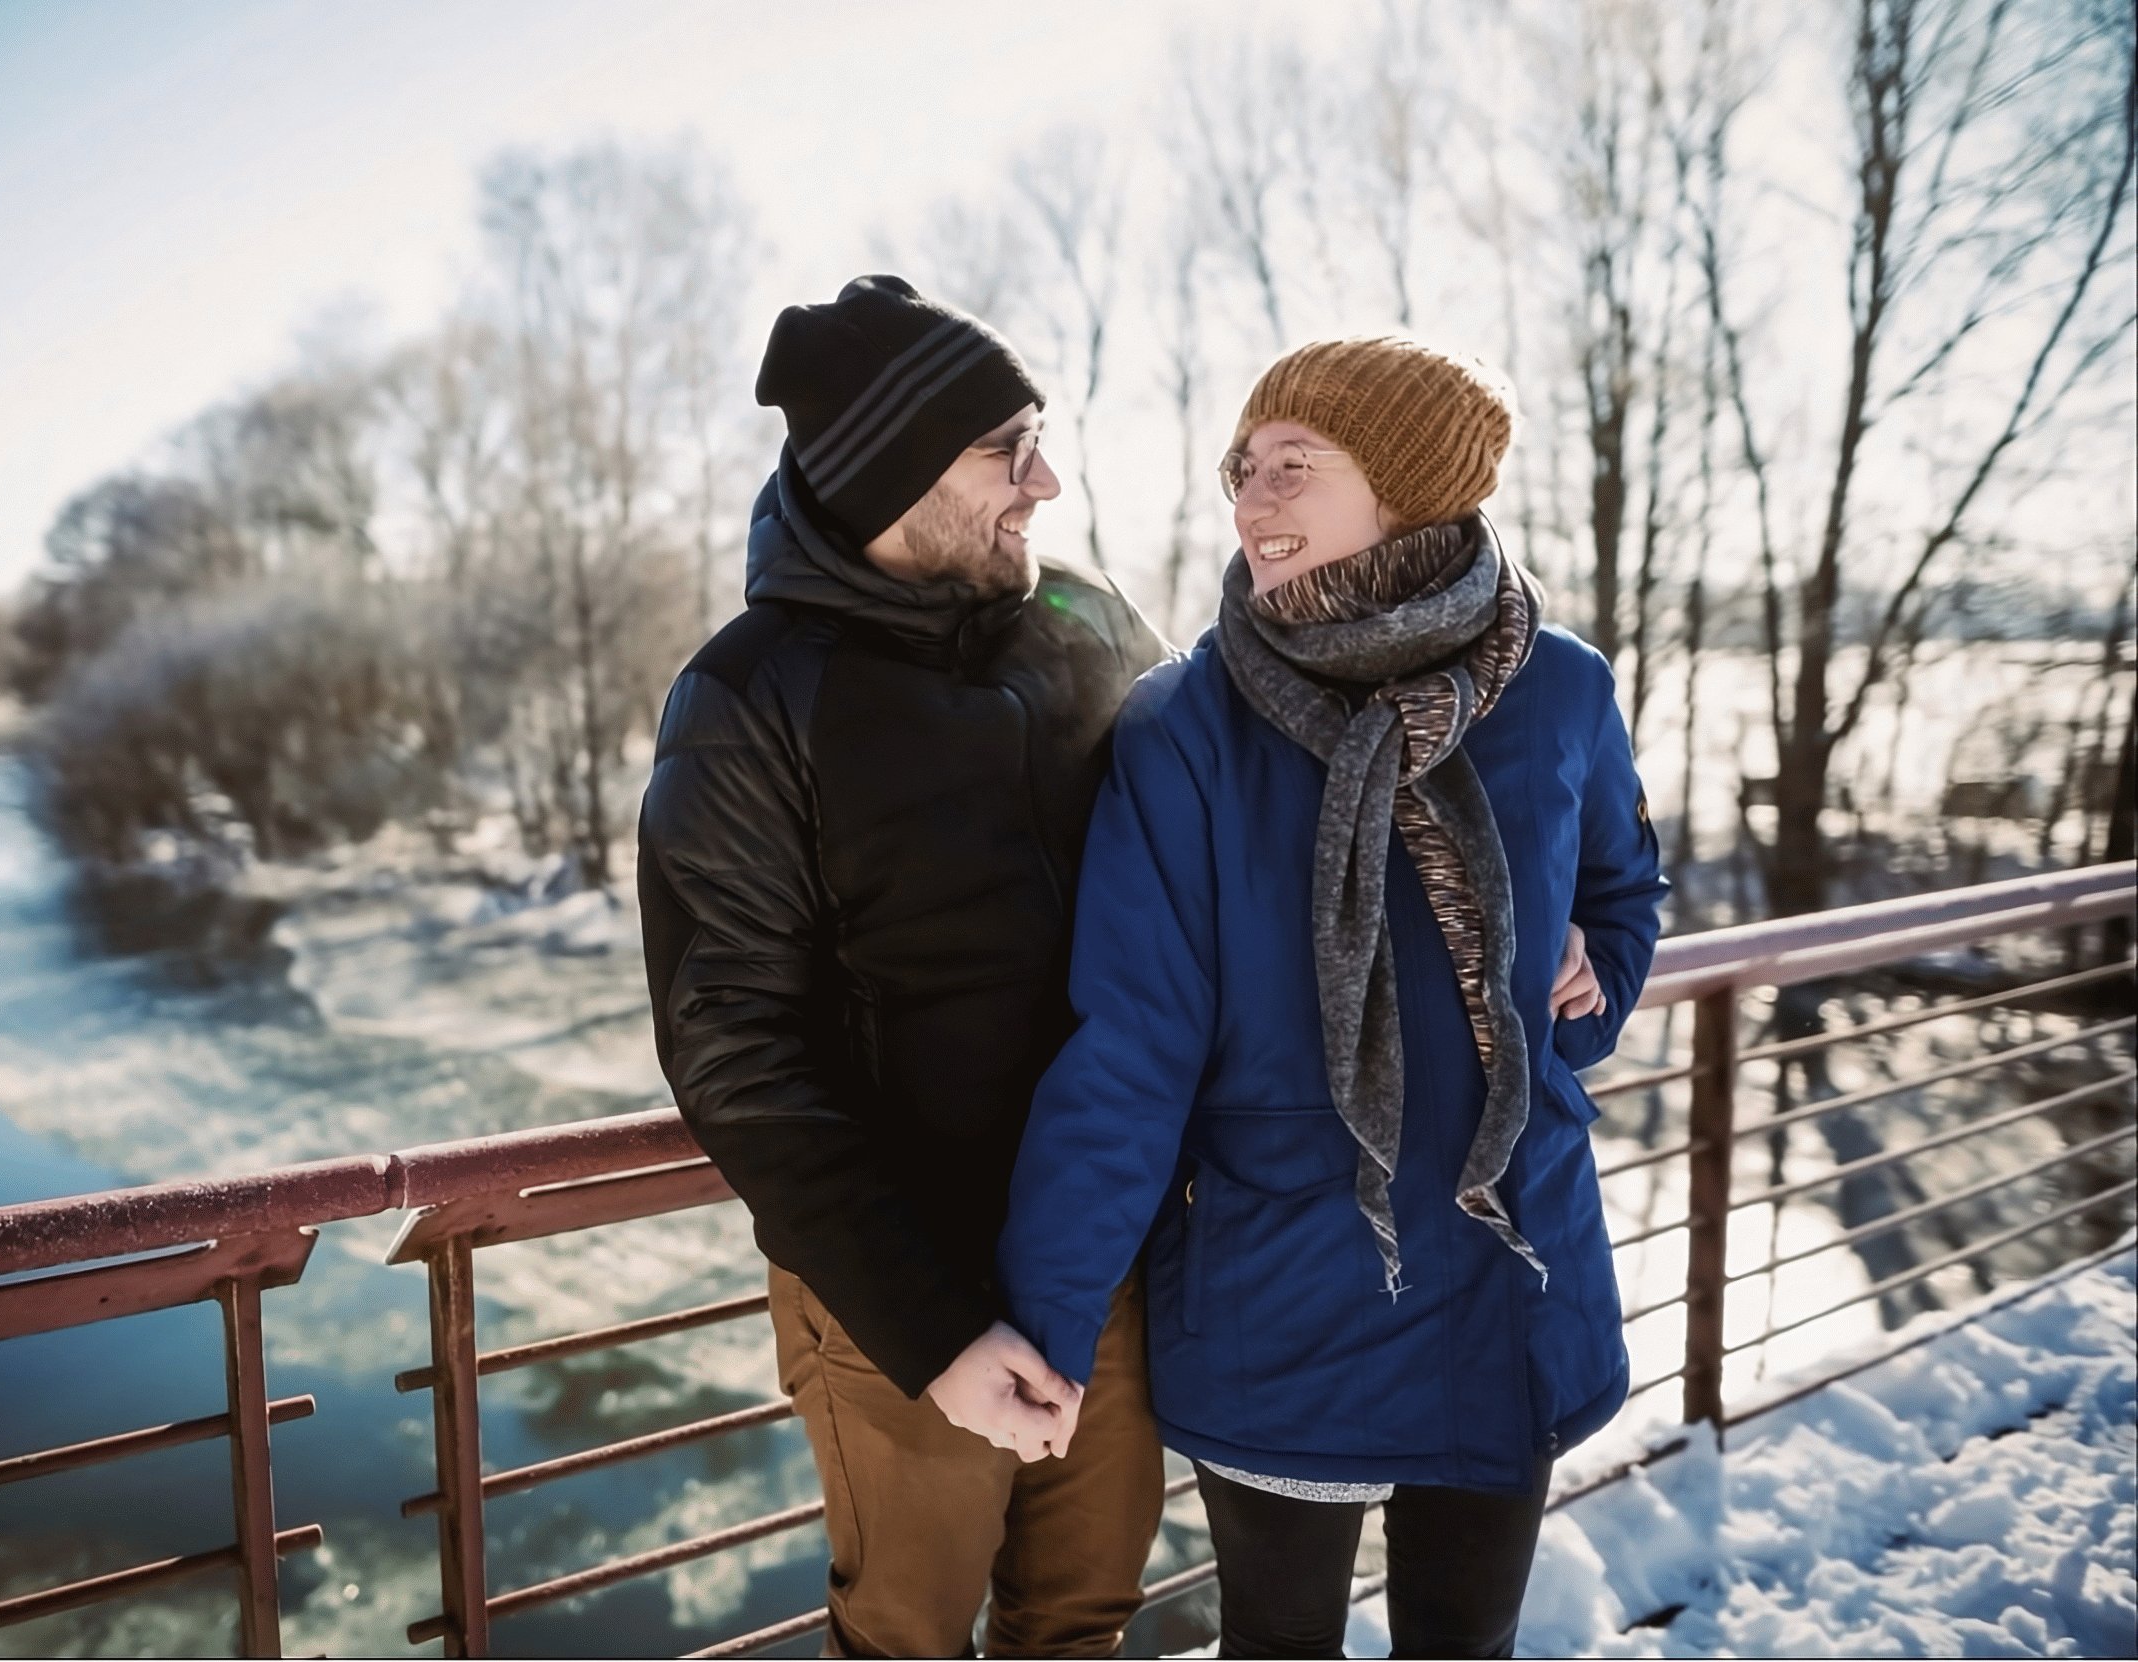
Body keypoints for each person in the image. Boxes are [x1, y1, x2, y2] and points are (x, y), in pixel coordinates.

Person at [992, 335, 1668, 1659]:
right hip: (1289, 1285)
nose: (1250, 500)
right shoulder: (1183, 727)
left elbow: (1627, 891)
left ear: (1411, 484)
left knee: (1463, 1644)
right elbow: (1132, 1049)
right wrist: (1048, 1313)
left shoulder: (1564, 688)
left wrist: (1593, 970)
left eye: (1294, 466)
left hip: (1505, 1271)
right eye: (1243, 469)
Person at [637, 274, 1171, 1657]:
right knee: (909, 1641)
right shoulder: (751, 697)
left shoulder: (1092, 626)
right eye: (1008, 448)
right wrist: (936, 1332)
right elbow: (734, 1047)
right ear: (893, 472)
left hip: (1108, 1248)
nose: (1045, 480)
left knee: (1083, 1617)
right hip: (901, 1291)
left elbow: (1249, 832)